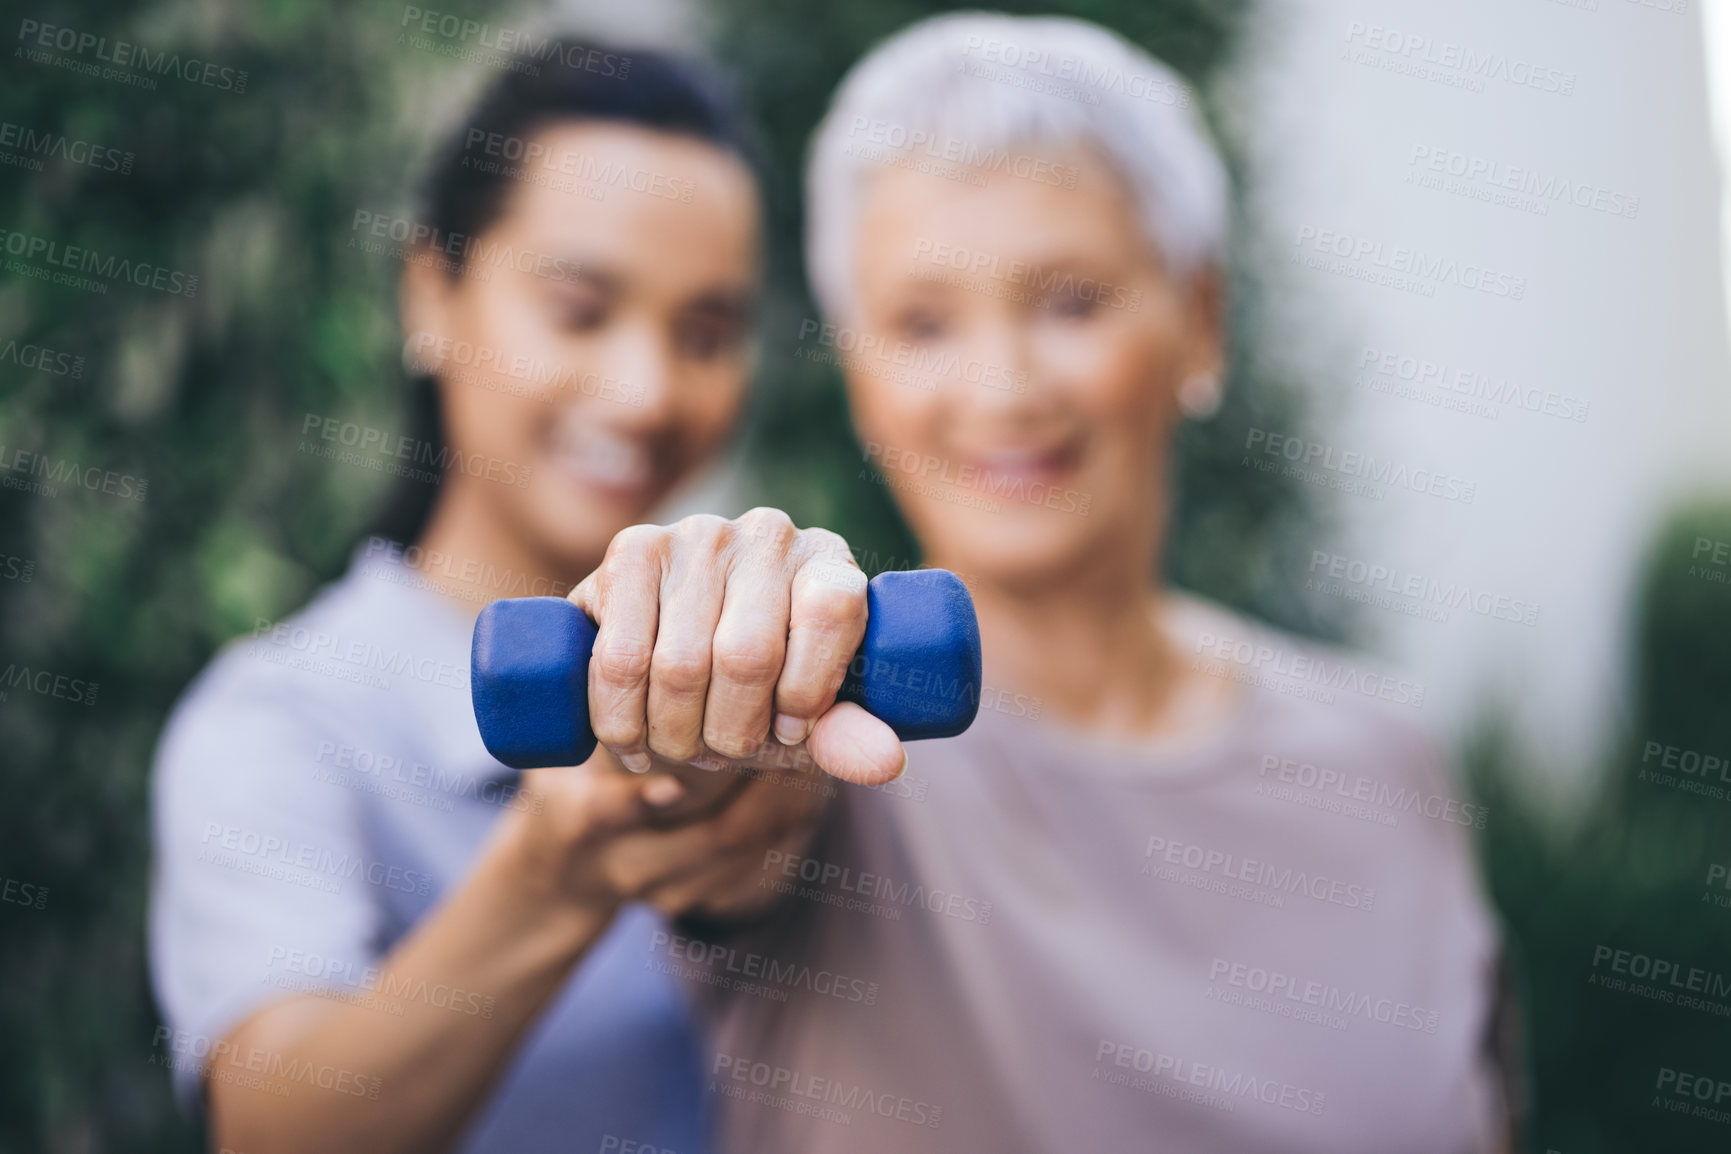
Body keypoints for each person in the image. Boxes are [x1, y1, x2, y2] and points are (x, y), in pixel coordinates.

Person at [673, 13, 1517, 1153]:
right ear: (862, 375)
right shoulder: (807, 741)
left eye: (1070, 300)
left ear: (1201, 322)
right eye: (922, 323)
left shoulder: (1384, 753)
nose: (1004, 385)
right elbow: (680, 807)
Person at [148, 48, 903, 1154]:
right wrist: (558, 871)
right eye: (579, 309)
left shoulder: (796, 677)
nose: (645, 392)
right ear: (429, 292)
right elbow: (275, 1127)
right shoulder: (282, 721)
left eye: (706, 333)